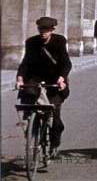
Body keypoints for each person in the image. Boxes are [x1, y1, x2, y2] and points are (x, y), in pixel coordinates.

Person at [16, 17, 72, 159]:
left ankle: (54, 144)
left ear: (52, 30)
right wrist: (20, 78)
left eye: (46, 30)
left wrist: (62, 78)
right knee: (28, 92)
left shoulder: (59, 41)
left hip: (55, 80)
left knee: (55, 118)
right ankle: (31, 120)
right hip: (36, 78)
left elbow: (66, 63)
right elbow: (25, 63)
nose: (43, 33)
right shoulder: (31, 42)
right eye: (41, 29)